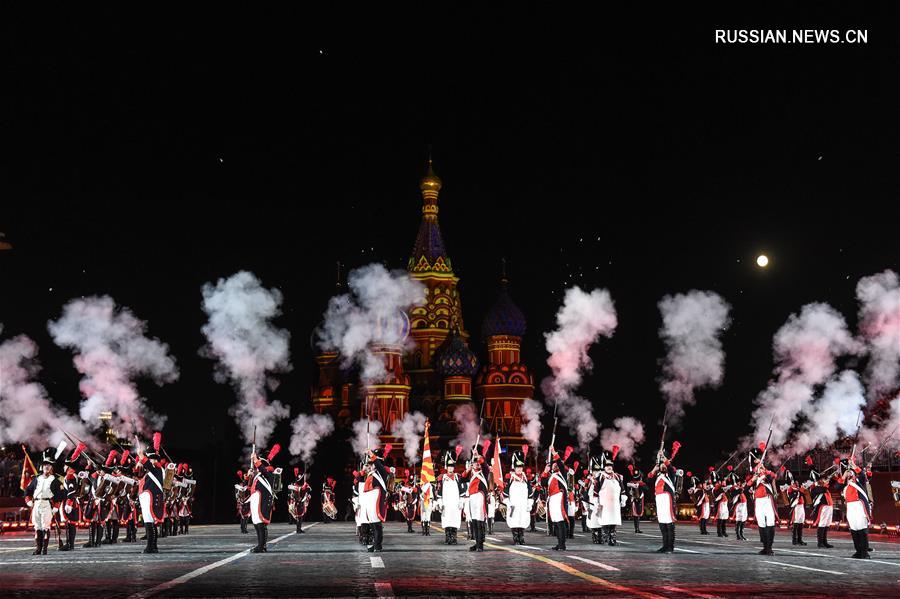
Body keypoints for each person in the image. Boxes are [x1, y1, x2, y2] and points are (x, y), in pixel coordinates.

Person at [24, 449, 65, 556]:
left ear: (51, 467)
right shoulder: (36, 479)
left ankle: (44, 549)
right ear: (42, 467)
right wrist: (28, 501)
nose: (46, 467)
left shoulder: (55, 480)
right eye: (45, 465)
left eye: (49, 465)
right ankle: (38, 548)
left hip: (47, 505)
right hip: (36, 504)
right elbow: (27, 491)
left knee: (45, 527)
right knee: (37, 527)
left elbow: (61, 494)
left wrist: (56, 506)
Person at [137, 433, 169, 554]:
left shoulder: (156, 467)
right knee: (150, 523)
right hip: (149, 497)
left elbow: (147, 464)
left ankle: (151, 546)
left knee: (149, 523)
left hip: (150, 498)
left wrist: (141, 456)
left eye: (150, 458)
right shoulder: (157, 468)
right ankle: (153, 546)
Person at [837, 458, 872, 559]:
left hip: (859, 506)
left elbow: (862, 475)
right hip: (850, 508)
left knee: (862, 529)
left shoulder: (859, 481)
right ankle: (858, 551)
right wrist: (843, 476)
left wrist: (854, 466)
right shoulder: (845, 484)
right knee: (854, 530)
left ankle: (864, 552)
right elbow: (837, 487)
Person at [249, 444, 281, 553]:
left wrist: (255, 460)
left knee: (260, 523)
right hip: (256, 499)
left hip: (262, 500)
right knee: (256, 522)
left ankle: (261, 546)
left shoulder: (270, 473)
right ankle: (261, 545)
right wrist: (250, 475)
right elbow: (250, 487)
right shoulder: (259, 475)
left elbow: (263, 469)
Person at [648, 446, 679, 554]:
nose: (663, 466)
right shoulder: (657, 476)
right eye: (661, 465)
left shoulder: (671, 474)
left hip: (667, 499)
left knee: (669, 523)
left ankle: (670, 547)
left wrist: (663, 456)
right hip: (659, 500)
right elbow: (648, 479)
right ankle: (664, 546)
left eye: (663, 465)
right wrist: (654, 469)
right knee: (662, 523)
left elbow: (670, 466)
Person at [361, 447, 390, 552]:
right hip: (370, 500)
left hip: (376, 499)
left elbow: (378, 464)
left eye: (371, 464)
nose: (370, 465)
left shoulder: (382, 472)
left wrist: (371, 454)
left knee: (377, 524)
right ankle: (375, 543)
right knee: (373, 524)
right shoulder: (371, 474)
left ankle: (378, 545)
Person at [546, 446, 573, 551]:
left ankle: (562, 544)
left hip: (559, 499)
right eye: (554, 464)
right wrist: (545, 471)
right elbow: (544, 484)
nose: (555, 465)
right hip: (552, 499)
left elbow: (561, 465)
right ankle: (559, 543)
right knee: (556, 522)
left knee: (560, 522)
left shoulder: (562, 472)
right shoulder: (551, 475)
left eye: (556, 463)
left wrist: (554, 453)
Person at [463, 450, 490, 552]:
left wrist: (478, 455)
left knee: (480, 521)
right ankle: (476, 543)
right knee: (474, 521)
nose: (476, 464)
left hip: (480, 497)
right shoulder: (470, 473)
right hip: (472, 498)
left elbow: (485, 465)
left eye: (477, 462)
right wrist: (467, 470)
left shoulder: (484, 472)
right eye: (474, 462)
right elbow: (462, 479)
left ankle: (480, 544)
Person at [751, 459, 778, 556]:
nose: (758, 470)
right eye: (757, 469)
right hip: (758, 501)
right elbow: (748, 486)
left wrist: (764, 469)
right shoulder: (755, 478)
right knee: (761, 523)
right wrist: (752, 479)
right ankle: (765, 547)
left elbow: (772, 477)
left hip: (767, 500)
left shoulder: (767, 476)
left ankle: (769, 548)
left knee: (770, 522)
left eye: (760, 468)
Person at [504, 449, 531, 545]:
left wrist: (529, 503)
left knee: (522, 521)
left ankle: (521, 537)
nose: (519, 469)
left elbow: (530, 492)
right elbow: (505, 493)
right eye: (517, 467)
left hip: (523, 504)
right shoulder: (510, 478)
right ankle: (515, 538)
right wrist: (509, 504)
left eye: (520, 467)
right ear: (514, 467)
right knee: (514, 521)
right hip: (513, 504)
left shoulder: (526, 478)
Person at [597, 448, 622, 545]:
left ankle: (613, 540)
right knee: (605, 521)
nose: (609, 467)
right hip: (604, 504)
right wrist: (596, 500)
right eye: (607, 466)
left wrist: (623, 498)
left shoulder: (617, 477)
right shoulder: (600, 476)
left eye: (610, 466)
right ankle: (605, 538)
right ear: (604, 467)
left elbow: (622, 489)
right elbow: (596, 489)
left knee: (614, 522)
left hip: (615, 504)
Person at [438, 449, 463, 545]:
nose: (450, 468)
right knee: (446, 520)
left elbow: (461, 490)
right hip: (446, 503)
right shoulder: (442, 478)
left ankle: (454, 538)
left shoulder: (458, 477)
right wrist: (440, 502)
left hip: (455, 503)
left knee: (455, 520)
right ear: (446, 467)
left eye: (452, 467)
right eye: (449, 467)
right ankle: (448, 538)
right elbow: (439, 491)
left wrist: (461, 501)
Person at [808, 468, 835, 548]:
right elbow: (823, 489)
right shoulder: (815, 488)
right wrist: (824, 483)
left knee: (826, 524)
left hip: (829, 507)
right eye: (823, 479)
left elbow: (830, 484)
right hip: (823, 508)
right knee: (822, 524)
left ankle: (825, 542)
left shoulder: (823, 486)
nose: (826, 481)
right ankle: (820, 542)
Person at [625, 464, 646, 533]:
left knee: (638, 514)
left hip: (640, 498)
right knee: (635, 514)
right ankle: (636, 529)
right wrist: (631, 496)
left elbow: (645, 489)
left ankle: (637, 528)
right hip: (634, 499)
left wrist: (640, 485)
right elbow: (629, 491)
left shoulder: (641, 484)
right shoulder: (631, 483)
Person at [729, 473, 749, 541]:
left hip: (744, 504)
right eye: (741, 483)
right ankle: (738, 535)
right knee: (739, 520)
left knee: (743, 519)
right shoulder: (733, 488)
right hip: (739, 505)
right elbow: (733, 494)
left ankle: (741, 534)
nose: (741, 484)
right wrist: (740, 489)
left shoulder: (741, 488)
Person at [235, 470, 251, 534]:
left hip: (246, 501)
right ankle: (243, 529)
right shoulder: (239, 486)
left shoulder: (246, 485)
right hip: (242, 502)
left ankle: (244, 529)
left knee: (246, 517)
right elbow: (237, 495)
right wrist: (239, 502)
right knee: (243, 516)